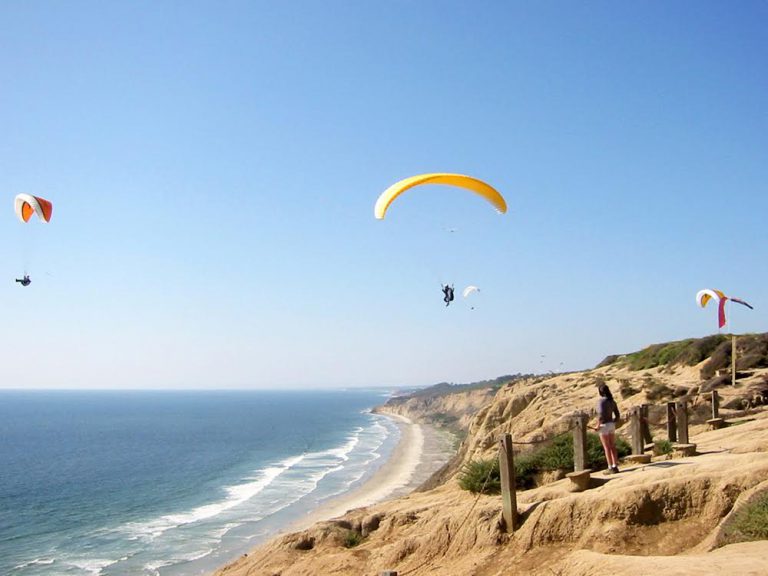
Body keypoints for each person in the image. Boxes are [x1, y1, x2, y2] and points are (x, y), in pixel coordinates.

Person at [595, 382, 621, 474]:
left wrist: (598, 425)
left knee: (607, 447)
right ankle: (615, 466)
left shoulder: (601, 402)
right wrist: (613, 421)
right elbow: (617, 415)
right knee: (612, 446)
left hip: (604, 426)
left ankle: (610, 467)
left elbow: (600, 415)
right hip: (611, 424)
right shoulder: (612, 401)